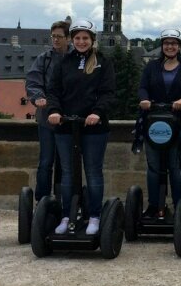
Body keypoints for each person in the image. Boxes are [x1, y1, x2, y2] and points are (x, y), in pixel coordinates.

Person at [46, 19, 116, 236]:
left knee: (93, 171)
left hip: (94, 127)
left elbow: (108, 92)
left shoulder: (103, 62)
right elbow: (53, 91)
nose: (81, 41)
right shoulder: (64, 62)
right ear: (71, 40)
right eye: (77, 38)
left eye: (85, 38)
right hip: (66, 126)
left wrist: (97, 113)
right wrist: (54, 111)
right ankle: (67, 216)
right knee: (67, 173)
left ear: (92, 40)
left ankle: (94, 216)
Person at [136, 28, 181, 218]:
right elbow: (143, 87)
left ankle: (179, 207)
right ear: (162, 46)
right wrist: (144, 99)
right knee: (154, 166)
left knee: (177, 166)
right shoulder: (152, 66)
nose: (170, 46)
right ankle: (154, 205)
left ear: (179, 46)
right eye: (167, 43)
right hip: (155, 122)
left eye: (174, 43)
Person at [24, 20, 70, 202]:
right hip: (47, 118)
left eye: (59, 36)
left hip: (68, 118)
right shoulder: (44, 59)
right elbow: (33, 81)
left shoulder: (76, 58)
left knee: (66, 163)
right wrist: (38, 97)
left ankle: (64, 198)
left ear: (68, 38)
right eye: (53, 36)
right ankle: (42, 201)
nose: (56, 40)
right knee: (45, 162)